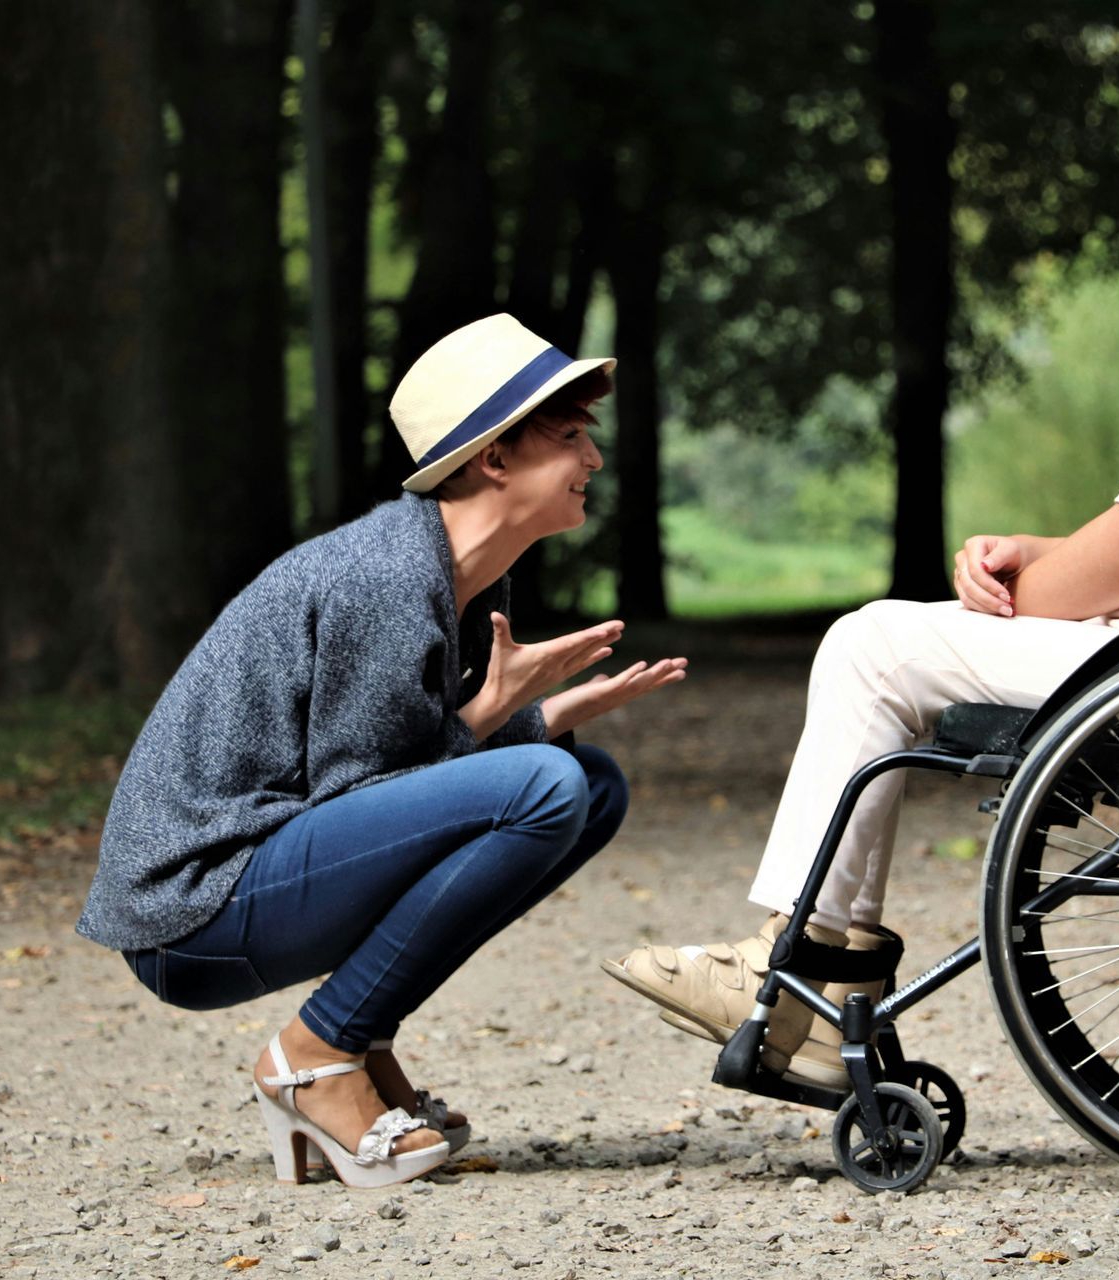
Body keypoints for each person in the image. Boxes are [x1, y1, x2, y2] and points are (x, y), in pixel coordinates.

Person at [603, 77, 1119, 1090]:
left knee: (873, 644)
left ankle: (808, 982)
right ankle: (814, 975)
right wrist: (1038, 554)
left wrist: (1025, 590)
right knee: (893, 639)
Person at [77, 314, 686, 1188]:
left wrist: (536, 717)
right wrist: (498, 715)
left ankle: (353, 1038)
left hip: (269, 871)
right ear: (495, 459)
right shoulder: (385, 578)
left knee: (590, 784)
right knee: (551, 785)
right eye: (569, 436)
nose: (593, 459)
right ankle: (315, 1057)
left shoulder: (456, 574)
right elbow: (365, 793)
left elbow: (402, 786)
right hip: (194, 908)